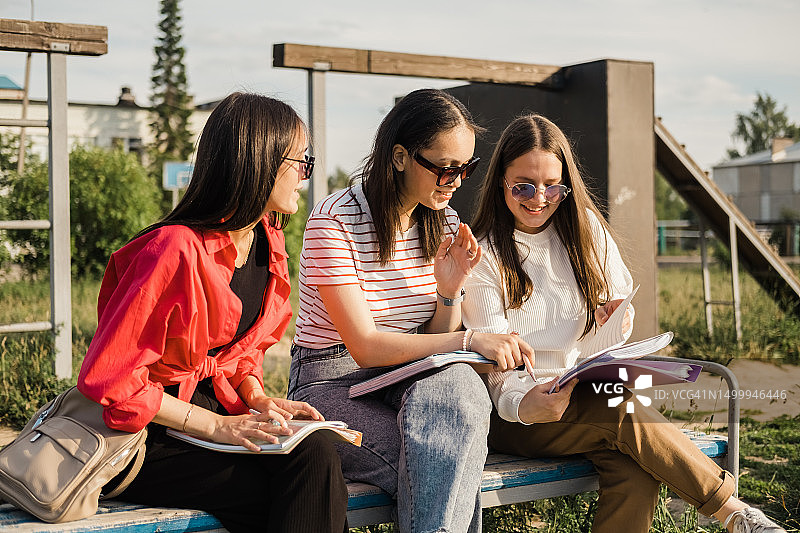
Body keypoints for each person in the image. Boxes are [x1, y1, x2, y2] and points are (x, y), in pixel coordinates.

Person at [462, 114, 787, 533]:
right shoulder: (482, 254)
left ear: (567, 184)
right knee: (619, 408)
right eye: (522, 185)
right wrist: (524, 405)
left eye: (552, 187)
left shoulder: (587, 231)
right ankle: (734, 514)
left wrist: (616, 320)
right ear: (500, 181)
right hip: (517, 415)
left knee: (635, 471)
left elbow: (611, 331)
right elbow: (495, 368)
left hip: (587, 396)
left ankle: (735, 515)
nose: (538, 198)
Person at [77, 92, 349, 533]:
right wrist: (213, 428)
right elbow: (111, 379)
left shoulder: (267, 242)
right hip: (149, 433)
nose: (304, 175)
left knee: (315, 451)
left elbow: (238, 353)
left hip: (218, 417)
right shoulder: (173, 249)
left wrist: (259, 400)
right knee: (288, 492)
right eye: (301, 161)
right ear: (260, 160)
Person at [287, 88, 533, 533]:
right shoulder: (334, 220)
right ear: (399, 156)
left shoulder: (446, 221)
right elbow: (364, 348)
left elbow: (431, 336)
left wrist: (448, 292)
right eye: (445, 168)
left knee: (457, 396)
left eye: (467, 168)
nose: (457, 180)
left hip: (407, 377)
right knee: (444, 458)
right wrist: (468, 339)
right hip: (330, 385)